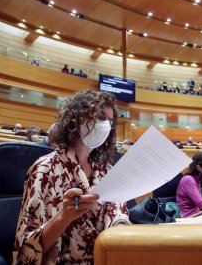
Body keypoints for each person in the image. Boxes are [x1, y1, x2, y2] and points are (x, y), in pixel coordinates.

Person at [13, 90, 129, 263]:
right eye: (100, 116)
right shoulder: (44, 169)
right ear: (75, 119)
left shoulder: (107, 171)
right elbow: (28, 248)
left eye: (110, 121)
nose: (105, 125)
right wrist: (64, 216)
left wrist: (120, 227)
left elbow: (119, 215)